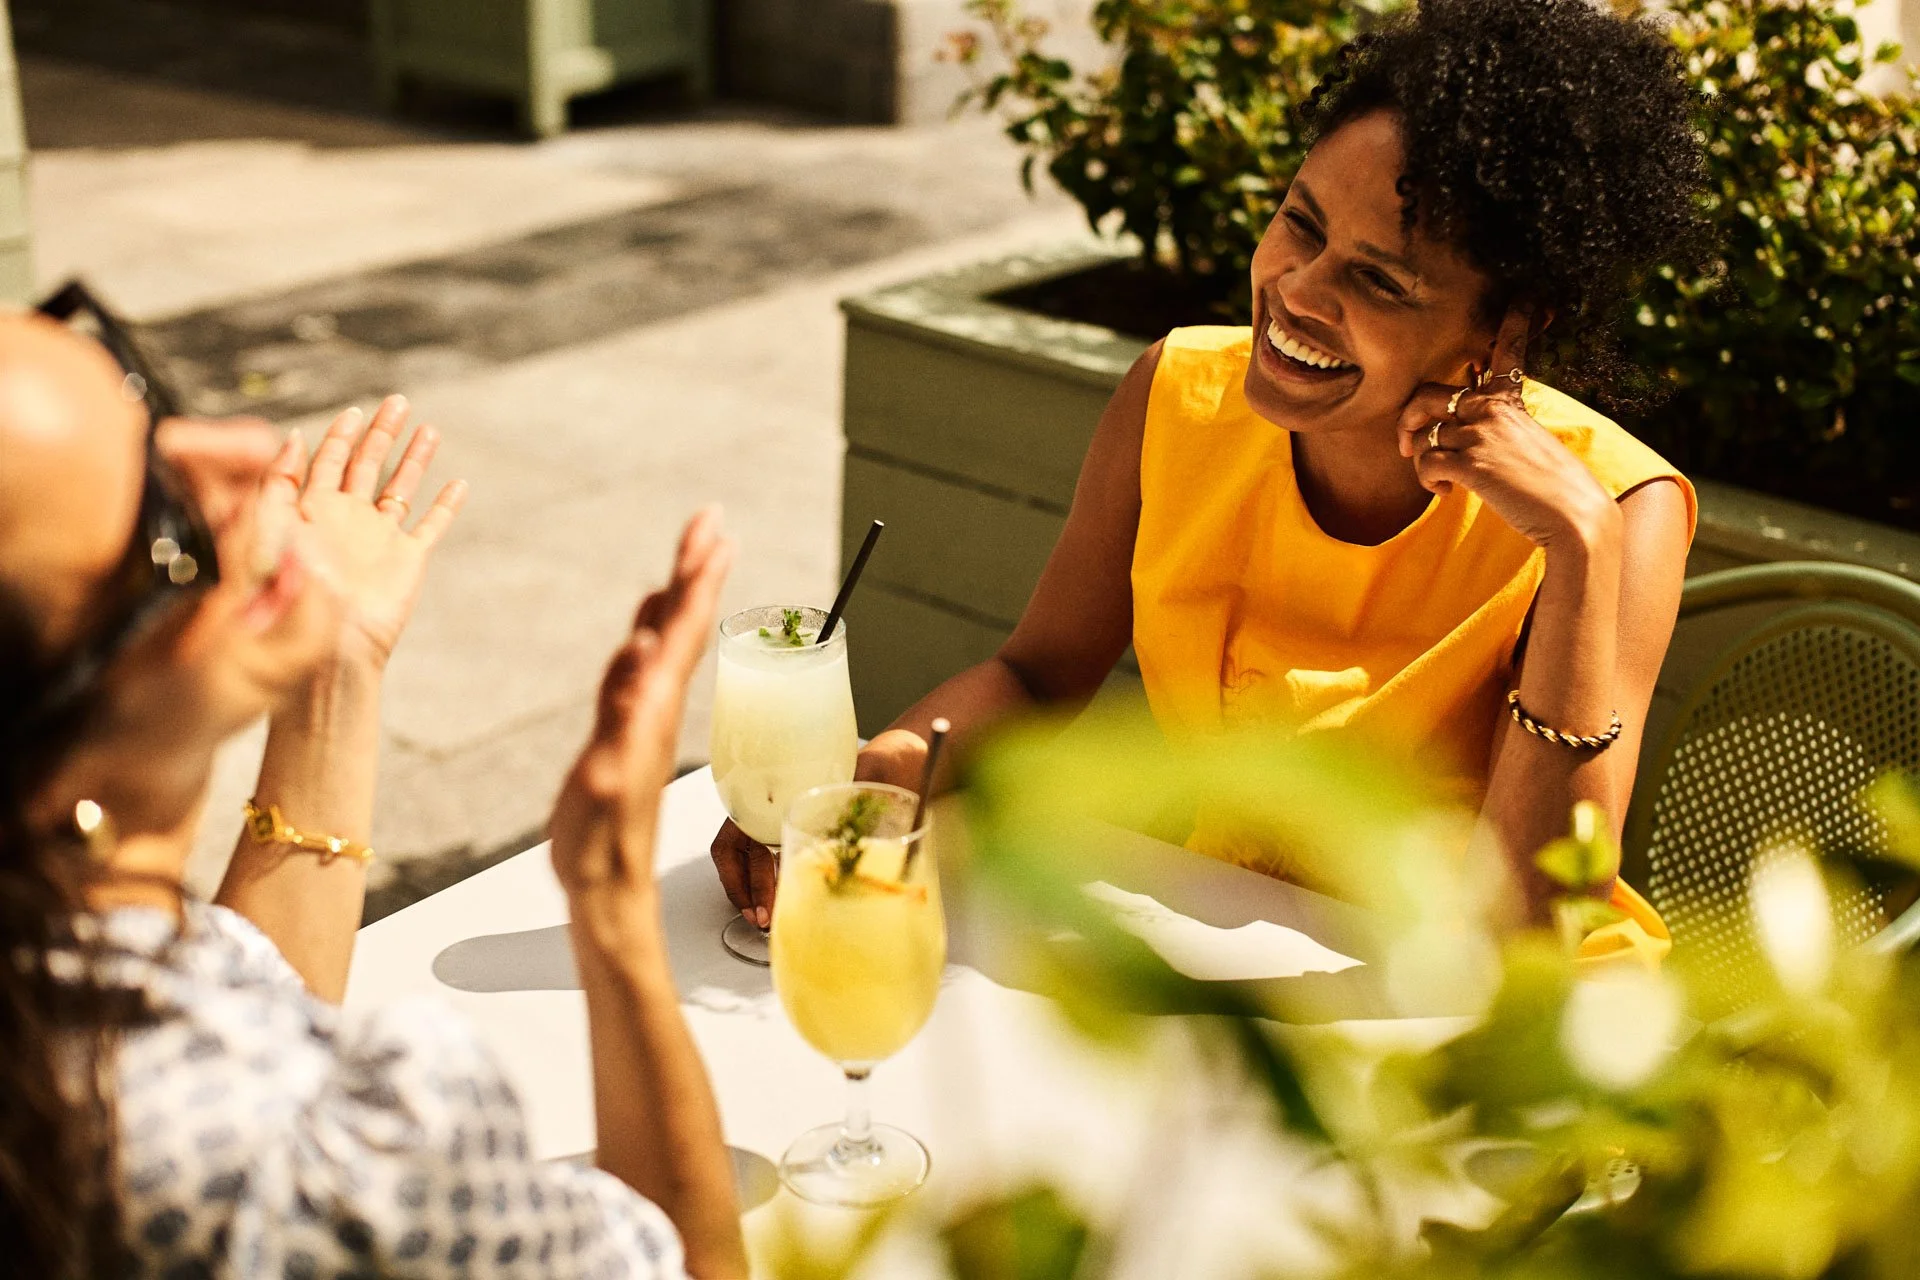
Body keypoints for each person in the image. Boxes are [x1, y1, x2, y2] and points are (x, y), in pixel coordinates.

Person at [713, 0, 1706, 960]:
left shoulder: (1609, 509)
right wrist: (878, 777)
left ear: (1507, 331)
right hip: (1226, 972)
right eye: (1302, 225)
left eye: (1377, 280)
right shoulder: (1178, 395)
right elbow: (1037, 674)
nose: (1297, 292)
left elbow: (1531, 927)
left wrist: (1578, 551)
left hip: (1482, 1022)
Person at [0, 300, 747, 1278]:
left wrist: (334, 669)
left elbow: (232, 1004)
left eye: (144, 392)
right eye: (162, 513)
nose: (252, 447)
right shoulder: (315, 1165)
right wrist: (609, 901)